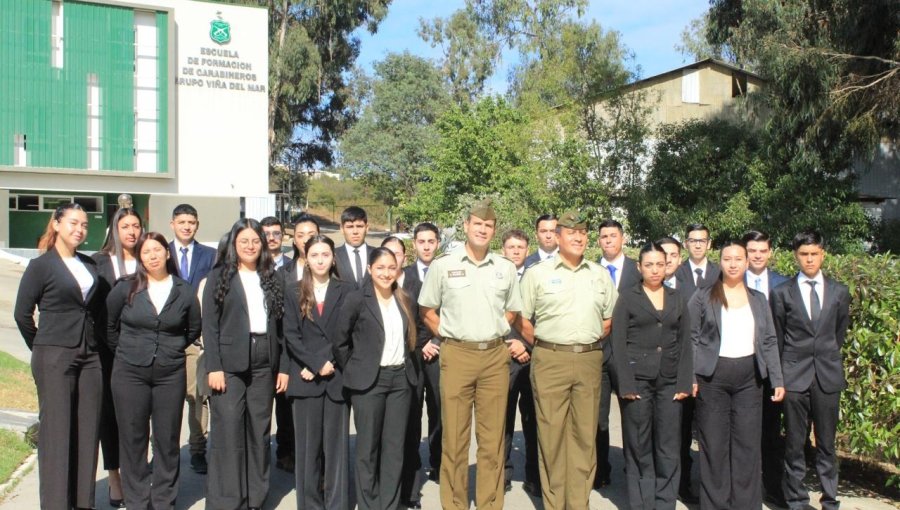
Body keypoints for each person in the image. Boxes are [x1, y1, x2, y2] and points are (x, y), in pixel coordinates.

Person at [418, 199, 523, 510]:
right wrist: (450, 332)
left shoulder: (505, 268)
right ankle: (455, 504)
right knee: (455, 440)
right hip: (457, 356)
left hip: (494, 358)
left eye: (488, 226)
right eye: (477, 224)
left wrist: (491, 329)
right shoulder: (443, 265)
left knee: (492, 442)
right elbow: (426, 310)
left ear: (493, 231)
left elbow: (513, 311)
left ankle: (490, 503)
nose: (482, 230)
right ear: (466, 227)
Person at [517, 210, 616, 510]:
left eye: (583, 233)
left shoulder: (599, 274)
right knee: (551, 436)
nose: (578, 237)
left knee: (585, 437)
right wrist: (547, 345)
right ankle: (554, 503)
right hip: (550, 359)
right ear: (557, 237)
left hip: (588, 359)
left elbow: (609, 319)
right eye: (571, 232)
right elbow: (522, 318)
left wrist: (585, 340)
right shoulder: (538, 273)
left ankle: (578, 503)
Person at [14, 204, 105, 510]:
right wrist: (42, 347)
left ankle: (82, 503)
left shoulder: (90, 265)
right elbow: (22, 315)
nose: (79, 229)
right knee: (56, 434)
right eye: (73, 223)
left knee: (87, 432)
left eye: (84, 225)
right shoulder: (41, 266)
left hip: (89, 357)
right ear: (56, 224)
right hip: (54, 356)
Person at [106, 232, 201, 510]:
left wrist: (169, 349)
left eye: (157, 250)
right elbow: (110, 327)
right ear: (139, 257)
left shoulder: (183, 290)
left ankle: (163, 501)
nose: (152, 256)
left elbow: (193, 328)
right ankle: (136, 500)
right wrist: (128, 351)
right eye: (146, 252)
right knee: (133, 439)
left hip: (169, 373)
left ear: (167, 253)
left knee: (167, 440)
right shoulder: (125, 288)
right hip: (129, 373)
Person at [690, 240, 784, 509]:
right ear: (720, 261)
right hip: (712, 378)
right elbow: (691, 339)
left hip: (749, 380)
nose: (733, 264)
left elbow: (768, 341)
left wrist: (776, 379)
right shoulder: (703, 296)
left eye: (738, 259)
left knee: (747, 447)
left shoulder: (758, 299)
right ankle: (716, 504)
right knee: (714, 446)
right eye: (728, 259)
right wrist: (692, 377)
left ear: (746, 262)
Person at [203, 219, 288, 510]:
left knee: (258, 431)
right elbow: (209, 324)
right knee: (227, 431)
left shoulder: (272, 277)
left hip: (265, 359)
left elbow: (282, 327)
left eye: (255, 241)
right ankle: (227, 500)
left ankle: (255, 497)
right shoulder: (219, 276)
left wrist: (284, 367)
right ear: (234, 245)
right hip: (228, 363)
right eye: (244, 242)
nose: (250, 246)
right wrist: (213, 366)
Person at [770, 231, 850, 510]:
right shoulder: (781, 293)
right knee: (794, 444)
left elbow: (837, 335)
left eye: (814, 253)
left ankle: (830, 501)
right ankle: (796, 501)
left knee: (827, 444)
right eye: (804, 254)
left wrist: (824, 358)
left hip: (827, 376)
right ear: (796, 256)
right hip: (794, 377)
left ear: (823, 254)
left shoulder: (840, 292)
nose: (809, 259)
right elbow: (778, 337)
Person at [335, 247, 418, 510]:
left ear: (398, 270)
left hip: (400, 382)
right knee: (368, 449)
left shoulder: (404, 298)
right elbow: (340, 342)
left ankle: (389, 504)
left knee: (394, 449)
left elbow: (410, 340)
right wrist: (356, 368)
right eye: (380, 268)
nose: (386, 273)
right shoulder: (357, 299)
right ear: (370, 270)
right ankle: (370, 504)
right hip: (368, 383)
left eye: (391, 268)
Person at [612, 242, 693, 510]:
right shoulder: (628, 296)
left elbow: (684, 343)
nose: (655, 269)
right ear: (639, 267)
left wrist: (684, 381)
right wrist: (625, 382)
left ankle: (664, 502)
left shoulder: (677, 298)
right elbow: (618, 342)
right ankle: (642, 502)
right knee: (639, 444)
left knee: (668, 446)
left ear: (667, 266)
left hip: (669, 381)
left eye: (660, 264)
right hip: (637, 381)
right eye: (649, 265)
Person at [283, 235, 352, 509]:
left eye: (325, 254)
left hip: (336, 378)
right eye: (315, 255)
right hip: (305, 380)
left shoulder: (347, 290)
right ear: (306, 258)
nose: (320, 260)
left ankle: (337, 504)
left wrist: (326, 363)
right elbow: (290, 335)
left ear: (333, 258)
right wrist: (312, 363)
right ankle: (310, 504)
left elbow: (347, 334)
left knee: (336, 450)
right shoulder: (293, 290)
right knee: (308, 449)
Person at [93, 206, 144, 506]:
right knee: (110, 416)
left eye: (136, 225)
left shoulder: (149, 258)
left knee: (137, 417)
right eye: (125, 226)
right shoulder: (99, 262)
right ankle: (114, 475)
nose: (131, 231)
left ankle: (136, 473)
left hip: (141, 349)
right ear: (115, 229)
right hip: (107, 351)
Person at [742, 229, 790, 506]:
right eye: (752, 251)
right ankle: (744, 490)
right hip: (741, 367)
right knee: (742, 432)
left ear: (770, 253)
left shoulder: (783, 285)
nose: (757, 256)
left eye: (762, 251)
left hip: (773, 371)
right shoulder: (730, 282)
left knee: (771, 434)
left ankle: (773, 488)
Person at [673, 223, 720, 503]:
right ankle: (683, 483)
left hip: (714, 359)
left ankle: (710, 486)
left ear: (709, 244)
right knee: (682, 424)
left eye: (703, 240)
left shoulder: (721, 274)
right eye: (693, 240)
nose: (698, 245)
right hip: (683, 355)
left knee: (711, 428)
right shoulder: (675, 274)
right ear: (686, 244)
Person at [169, 203, 217, 474]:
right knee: (165, 399)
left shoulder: (209, 256)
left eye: (191, 222)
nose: (187, 226)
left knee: (196, 396)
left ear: (197, 225)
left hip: (195, 336)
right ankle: (163, 451)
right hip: (166, 335)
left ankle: (198, 450)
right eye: (182, 222)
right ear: (172, 224)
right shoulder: (159, 252)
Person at [595, 219, 640, 489]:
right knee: (597, 417)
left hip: (629, 353)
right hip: (598, 352)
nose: (609, 240)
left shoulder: (638, 269)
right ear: (598, 241)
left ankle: (633, 472)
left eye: (613, 235)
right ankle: (600, 470)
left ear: (622, 238)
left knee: (633, 415)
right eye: (604, 236)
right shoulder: (590, 271)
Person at [402, 222, 443, 494]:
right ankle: (413, 475)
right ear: (414, 244)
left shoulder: (448, 272)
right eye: (421, 241)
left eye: (431, 241)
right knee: (413, 413)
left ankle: (440, 464)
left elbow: (454, 311)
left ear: (437, 243)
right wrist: (422, 344)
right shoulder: (403, 276)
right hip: (414, 353)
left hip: (442, 351)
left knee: (441, 411)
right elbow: (401, 316)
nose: (426, 246)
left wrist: (437, 341)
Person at [499, 229, 540, 497]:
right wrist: (508, 344)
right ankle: (501, 474)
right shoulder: (495, 276)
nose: (516, 251)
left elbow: (544, 314)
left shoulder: (538, 276)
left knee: (534, 418)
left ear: (528, 250)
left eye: (521, 247)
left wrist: (525, 344)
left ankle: (535, 476)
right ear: (503, 249)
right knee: (501, 418)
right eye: (511, 247)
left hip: (534, 357)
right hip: (502, 356)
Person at [261, 216, 295, 471]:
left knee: (285, 405)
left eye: (276, 233)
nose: (272, 237)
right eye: (267, 233)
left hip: (288, 344)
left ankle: (286, 451)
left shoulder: (293, 268)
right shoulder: (253, 267)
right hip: (261, 346)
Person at [334, 206, 377, 288]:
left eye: (359, 226)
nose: (355, 232)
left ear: (367, 228)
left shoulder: (377, 254)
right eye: (350, 227)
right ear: (342, 229)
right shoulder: (333, 255)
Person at [283, 214, 321, 284]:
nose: (306, 240)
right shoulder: (283, 272)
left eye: (312, 235)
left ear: (320, 237)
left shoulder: (333, 269)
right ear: (294, 240)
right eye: (300, 236)